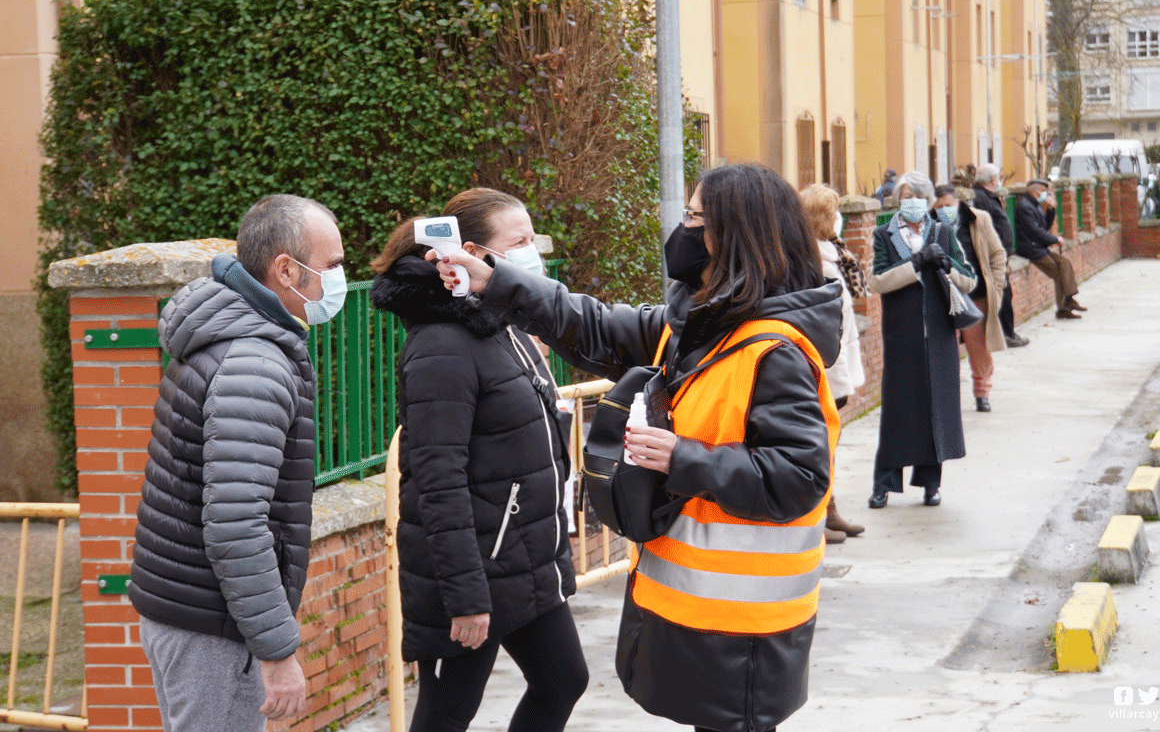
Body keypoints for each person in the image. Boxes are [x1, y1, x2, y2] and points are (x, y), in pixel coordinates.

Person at [431, 164, 841, 732]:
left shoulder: (775, 351)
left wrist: (683, 457)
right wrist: (496, 282)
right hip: (700, 612)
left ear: (735, 235)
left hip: (748, 631)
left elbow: (798, 477)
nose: (683, 230)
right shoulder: (702, 324)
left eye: (695, 218)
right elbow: (596, 326)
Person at [368, 188, 587, 732]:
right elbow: (436, 481)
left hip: (519, 557)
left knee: (563, 680)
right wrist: (465, 597)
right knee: (445, 716)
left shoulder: (497, 322)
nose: (533, 252)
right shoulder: (442, 343)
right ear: (470, 252)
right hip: (472, 573)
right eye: (519, 242)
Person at [129, 194, 346, 730]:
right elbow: (235, 525)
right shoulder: (253, 362)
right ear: (286, 269)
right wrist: (276, 654)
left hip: (191, 610)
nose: (341, 277)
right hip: (213, 628)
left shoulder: (229, 334)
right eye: (335, 265)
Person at [868, 172, 976, 509]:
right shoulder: (883, 235)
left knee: (936, 409)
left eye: (916, 195)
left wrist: (946, 265)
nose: (910, 202)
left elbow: (969, 280)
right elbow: (877, 281)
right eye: (905, 196)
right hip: (901, 334)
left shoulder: (942, 232)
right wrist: (913, 262)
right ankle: (884, 484)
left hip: (940, 335)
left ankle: (930, 482)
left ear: (927, 200)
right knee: (898, 409)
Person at [798, 183, 866, 542]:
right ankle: (816, 519)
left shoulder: (830, 251)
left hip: (838, 356)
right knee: (820, 442)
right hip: (825, 361)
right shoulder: (810, 258)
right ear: (821, 219)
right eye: (833, 213)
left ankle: (830, 510)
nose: (838, 219)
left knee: (829, 441)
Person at [933, 184, 1007, 413]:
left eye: (949, 205)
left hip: (975, 294)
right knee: (945, 351)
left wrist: (997, 285)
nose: (945, 210)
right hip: (942, 298)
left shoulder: (978, 219)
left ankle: (982, 393)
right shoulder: (928, 225)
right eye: (940, 207)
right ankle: (946, 397)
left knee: (978, 348)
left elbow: (997, 253)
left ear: (958, 202)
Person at [1015, 177, 1086, 320]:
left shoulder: (1034, 205)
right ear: (1034, 191)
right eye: (1043, 191)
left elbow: (1045, 227)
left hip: (1039, 247)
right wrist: (1055, 239)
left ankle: (1068, 300)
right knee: (1058, 273)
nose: (1046, 194)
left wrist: (1051, 209)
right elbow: (1035, 231)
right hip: (1031, 248)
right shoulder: (1024, 206)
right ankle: (1064, 307)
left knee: (1064, 263)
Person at [972, 164, 1027, 347]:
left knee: (1004, 293)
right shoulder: (980, 197)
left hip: (999, 255)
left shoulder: (986, 196)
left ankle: (1007, 333)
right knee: (1002, 294)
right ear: (993, 180)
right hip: (992, 257)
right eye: (998, 178)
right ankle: (1006, 334)